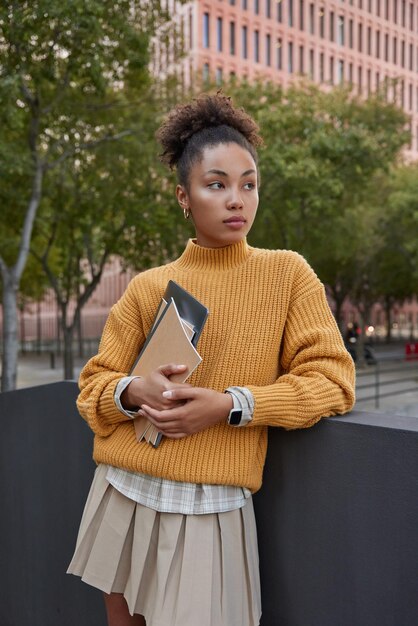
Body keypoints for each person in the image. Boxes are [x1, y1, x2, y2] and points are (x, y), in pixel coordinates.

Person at [67, 93, 355, 626]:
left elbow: (334, 382)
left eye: (249, 184)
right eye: (216, 184)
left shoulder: (287, 274)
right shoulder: (146, 285)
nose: (236, 200)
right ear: (184, 195)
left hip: (211, 505)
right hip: (123, 488)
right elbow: (93, 388)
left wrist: (230, 405)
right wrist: (134, 391)